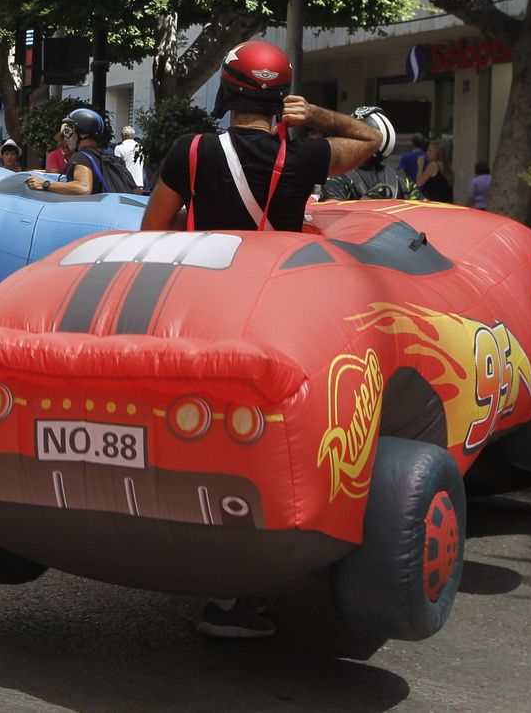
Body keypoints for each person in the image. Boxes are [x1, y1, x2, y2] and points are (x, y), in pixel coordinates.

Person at [139, 40, 381, 638]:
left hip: (199, 310)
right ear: (282, 99)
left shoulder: (189, 151)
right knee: (258, 449)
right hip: (273, 313)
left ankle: (188, 565)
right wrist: (318, 116)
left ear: (225, 90)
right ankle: (236, 591)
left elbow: (151, 230)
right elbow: (372, 141)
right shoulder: (304, 156)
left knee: (190, 436)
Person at [25, 108, 107, 195]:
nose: (67, 138)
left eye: (69, 132)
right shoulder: (109, 158)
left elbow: (83, 187)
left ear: (83, 134)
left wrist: (45, 184)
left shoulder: (82, 157)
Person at [416, 138, 454, 203]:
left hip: (435, 203)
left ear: (437, 153)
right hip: (446, 203)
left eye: (430, 151)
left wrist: (420, 166)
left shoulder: (433, 166)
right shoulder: (446, 167)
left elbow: (419, 183)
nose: (427, 153)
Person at [115, 124, 145, 189]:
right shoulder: (140, 147)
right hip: (139, 183)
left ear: (124, 135)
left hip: (126, 183)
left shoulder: (119, 147)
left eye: (121, 134)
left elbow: (117, 166)